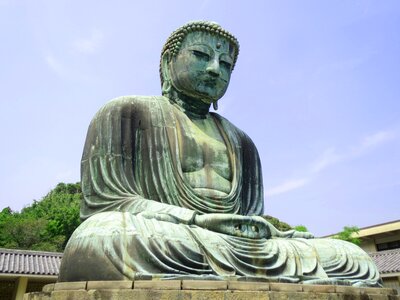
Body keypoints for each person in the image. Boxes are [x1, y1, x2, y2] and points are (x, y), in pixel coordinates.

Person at [59, 21, 381, 286]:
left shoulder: (243, 142)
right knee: (98, 240)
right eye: (201, 55)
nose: (215, 69)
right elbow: (108, 205)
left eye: (225, 64)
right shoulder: (126, 113)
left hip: (237, 246)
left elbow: (251, 219)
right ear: (168, 63)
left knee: (351, 257)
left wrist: (270, 232)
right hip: (171, 237)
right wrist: (196, 219)